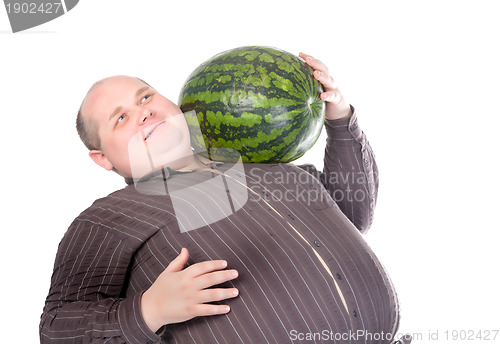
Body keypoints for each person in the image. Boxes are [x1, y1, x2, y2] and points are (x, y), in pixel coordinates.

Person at [40, 52, 406, 344]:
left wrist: (339, 117)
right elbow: (56, 328)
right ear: (101, 158)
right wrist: (149, 310)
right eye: (120, 118)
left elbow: (354, 215)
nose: (143, 112)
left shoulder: (269, 164)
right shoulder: (109, 217)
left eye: (146, 97)